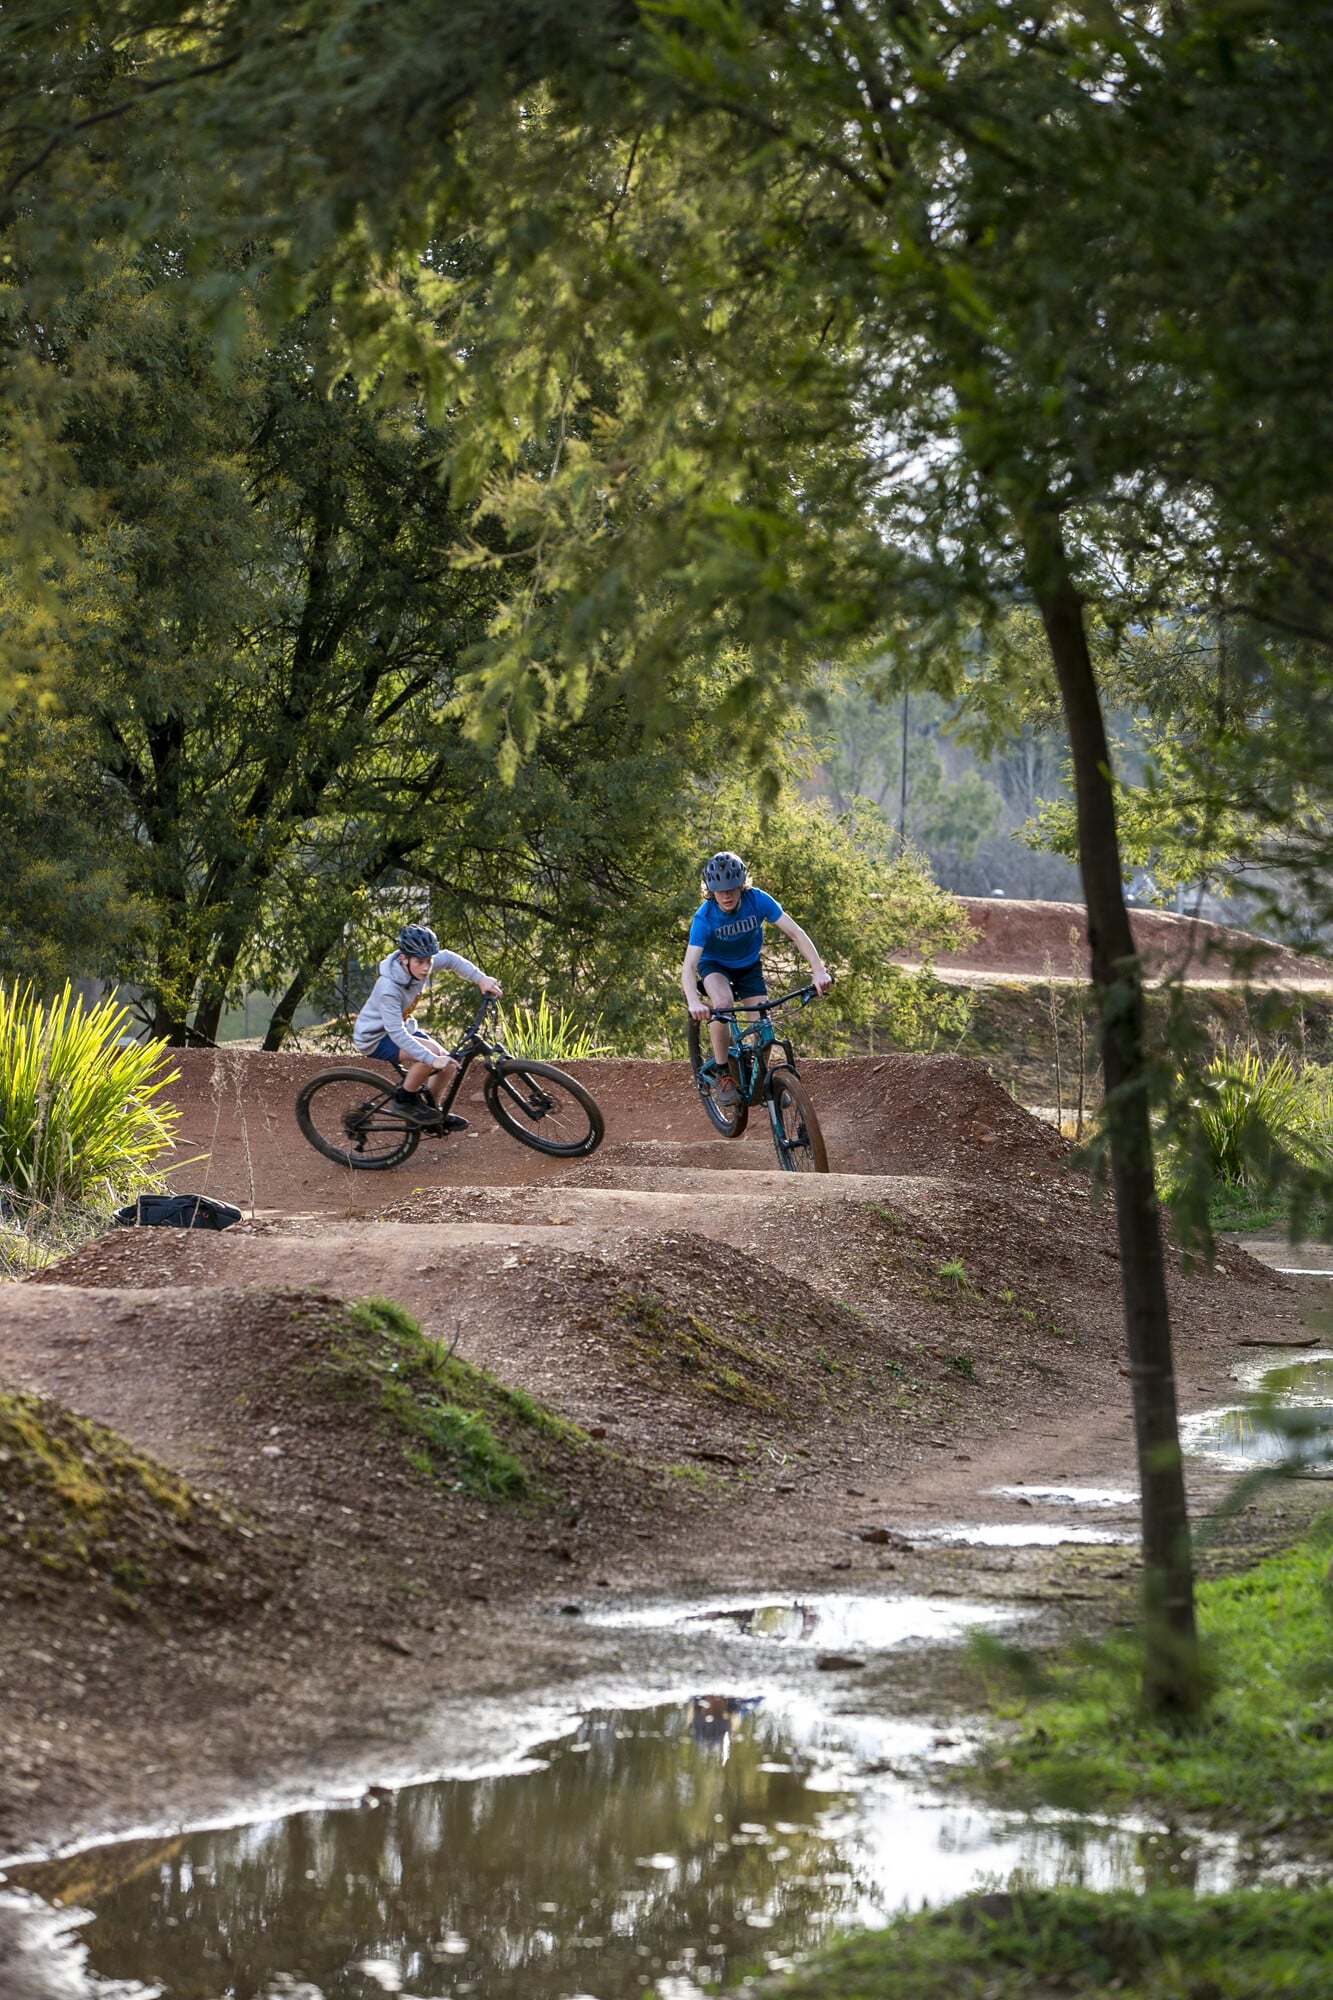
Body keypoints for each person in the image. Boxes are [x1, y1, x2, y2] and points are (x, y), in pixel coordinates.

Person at [681, 852, 831, 1104]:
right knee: (722, 1004)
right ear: (710, 891)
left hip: (749, 966)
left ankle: (759, 1079)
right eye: (719, 891)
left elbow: (795, 932)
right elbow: (689, 966)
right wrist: (693, 1001)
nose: (726, 896)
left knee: (764, 1024)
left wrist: (818, 970)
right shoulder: (704, 918)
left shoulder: (759, 900)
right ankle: (723, 1072)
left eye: (731, 889)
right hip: (715, 965)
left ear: (742, 886)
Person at [353, 923, 503, 1129]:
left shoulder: (420, 964)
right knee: (431, 1057)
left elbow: (450, 958)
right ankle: (404, 1101)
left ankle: (431, 1112)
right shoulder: (389, 988)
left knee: (449, 1065)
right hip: (376, 1038)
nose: (426, 968)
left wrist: (481, 979)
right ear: (403, 958)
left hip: (402, 1028)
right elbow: (395, 1033)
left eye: (429, 961)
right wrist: (432, 1058)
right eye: (420, 962)